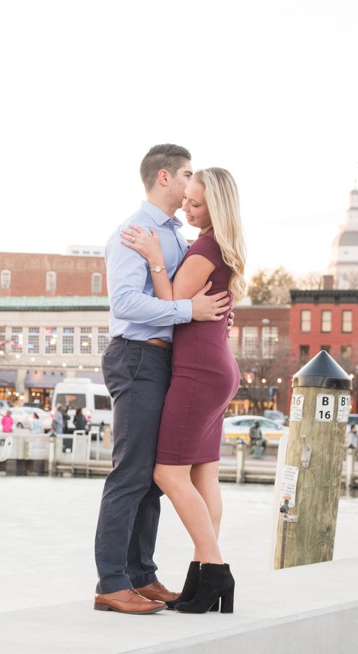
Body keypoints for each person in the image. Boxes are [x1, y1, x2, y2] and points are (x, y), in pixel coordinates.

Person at [93, 145, 231, 616]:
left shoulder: (175, 236)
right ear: (166, 177)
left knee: (153, 478)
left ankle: (142, 575)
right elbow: (125, 304)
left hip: (166, 363)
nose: (193, 186)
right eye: (188, 175)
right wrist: (186, 310)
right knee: (131, 473)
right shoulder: (136, 233)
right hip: (137, 357)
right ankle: (112, 582)